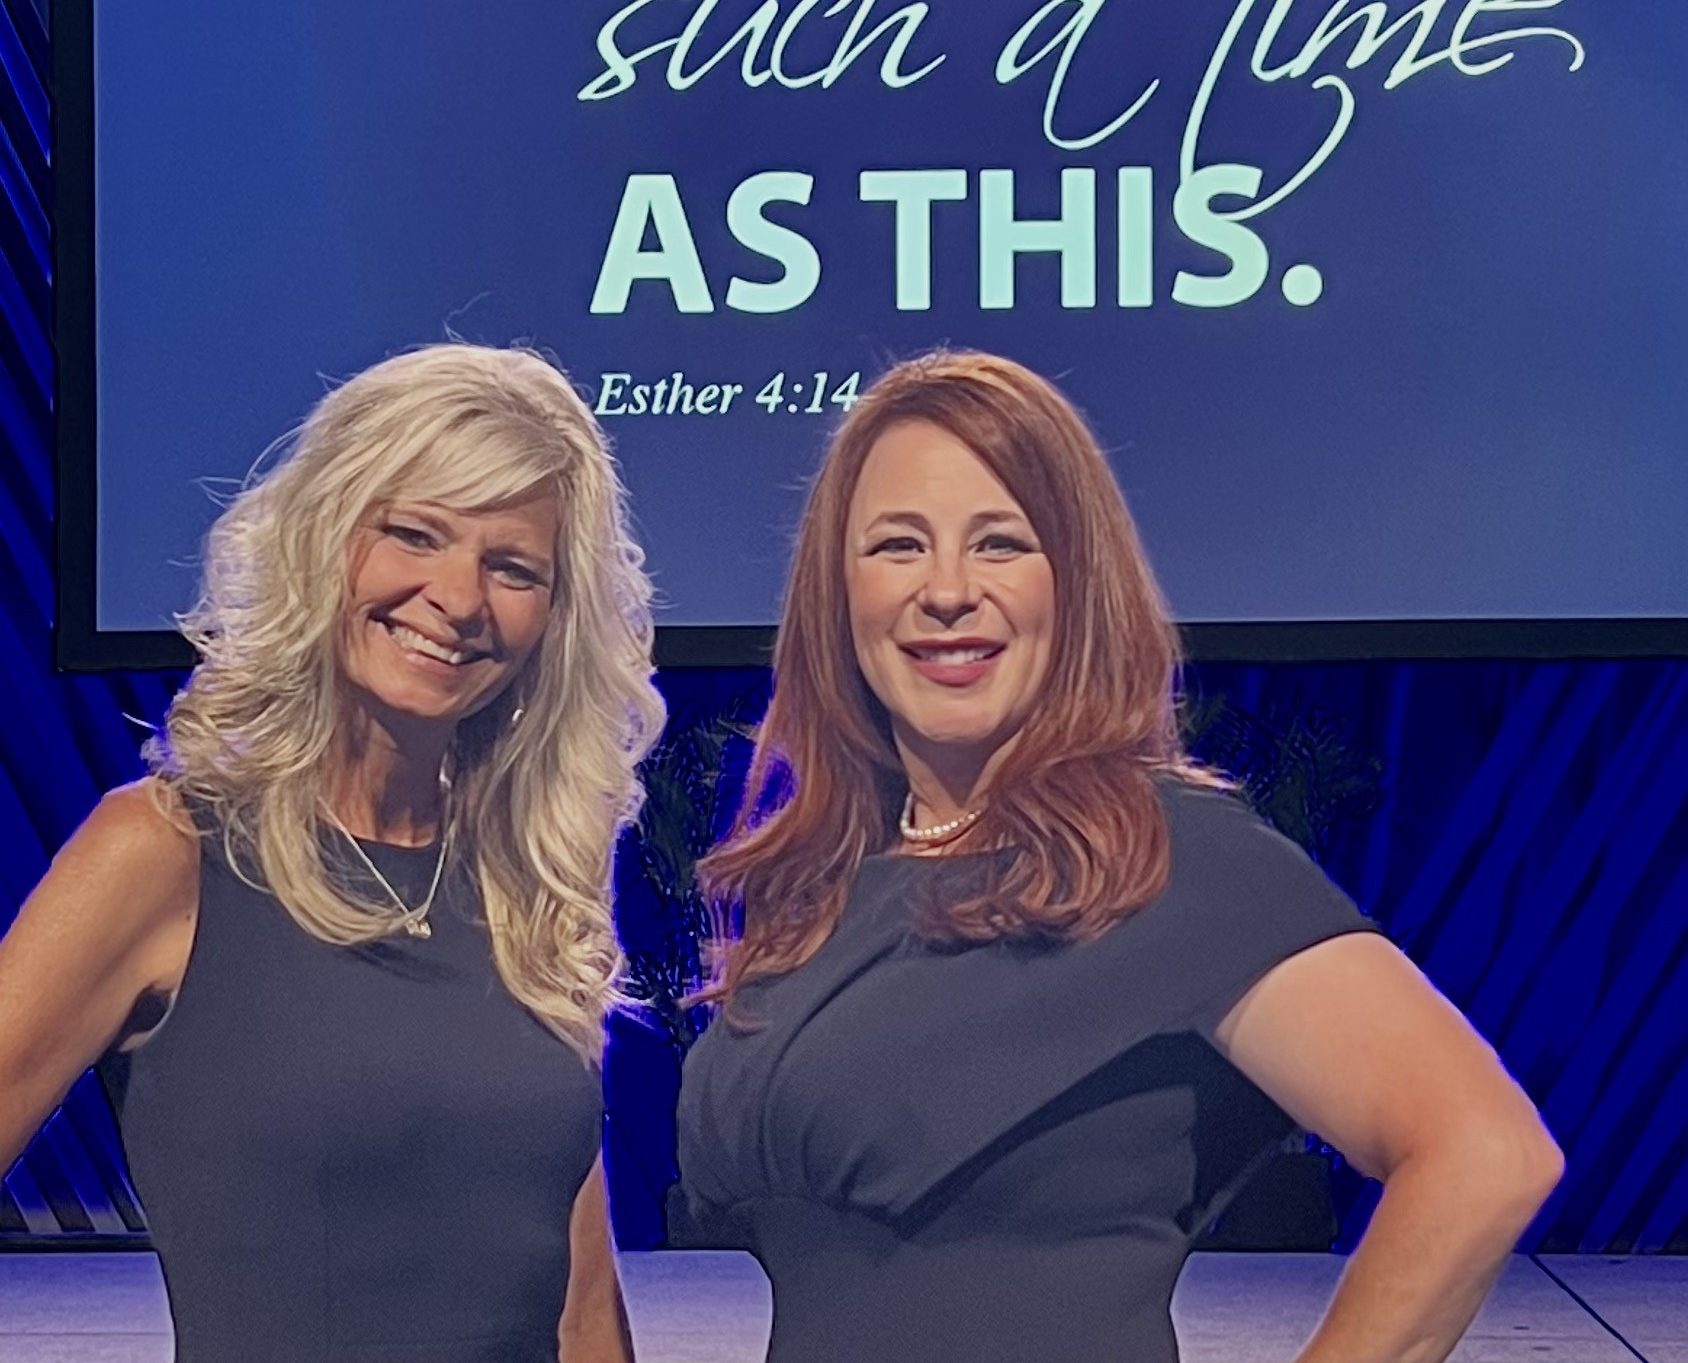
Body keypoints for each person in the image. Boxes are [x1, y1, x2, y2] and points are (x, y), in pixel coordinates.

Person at [673, 350, 1563, 1363]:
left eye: (1001, 543)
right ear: (837, 592)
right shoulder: (820, 888)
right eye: (897, 546)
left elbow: (1483, 1152)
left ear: (1076, 585)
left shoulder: (1168, 859)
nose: (947, 590)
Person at [0, 344, 664, 1363]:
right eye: (415, 534)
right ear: (323, 537)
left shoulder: (531, 873)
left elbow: (580, 1308)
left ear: (553, 618)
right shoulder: (165, 852)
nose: (459, 597)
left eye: (512, 568)